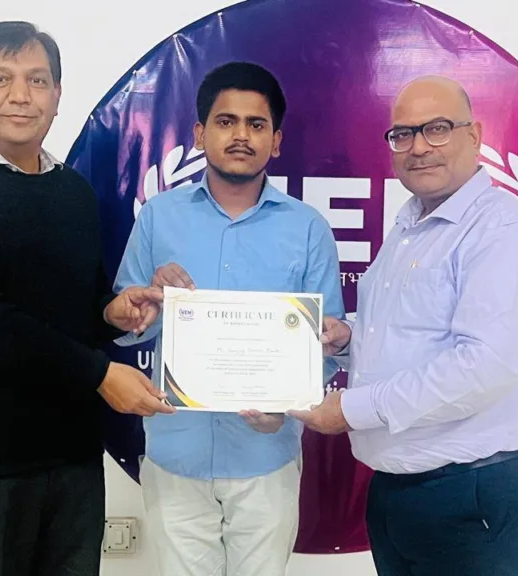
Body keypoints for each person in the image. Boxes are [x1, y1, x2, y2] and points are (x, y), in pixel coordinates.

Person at [0, 21, 173, 576]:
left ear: (57, 95)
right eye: (1, 79)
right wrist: (100, 374)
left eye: (37, 80)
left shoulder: (72, 191)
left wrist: (112, 313)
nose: (21, 96)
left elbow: (75, 308)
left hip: (71, 464)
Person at [289, 75, 518, 576]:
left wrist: (351, 410)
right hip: (402, 490)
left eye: (436, 129)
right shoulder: (411, 224)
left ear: (474, 135)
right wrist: (348, 339)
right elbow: (408, 332)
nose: (418, 147)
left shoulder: (502, 231)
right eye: (403, 134)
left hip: (474, 494)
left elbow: (482, 366)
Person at [112, 61, 345, 576]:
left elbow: (326, 344)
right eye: (226, 121)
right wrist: (140, 309)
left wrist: (285, 402)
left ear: (275, 141)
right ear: (200, 135)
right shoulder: (159, 216)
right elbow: (126, 324)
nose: (241, 135)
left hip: (266, 457)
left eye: (256, 124)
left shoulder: (308, 228)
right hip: (176, 452)